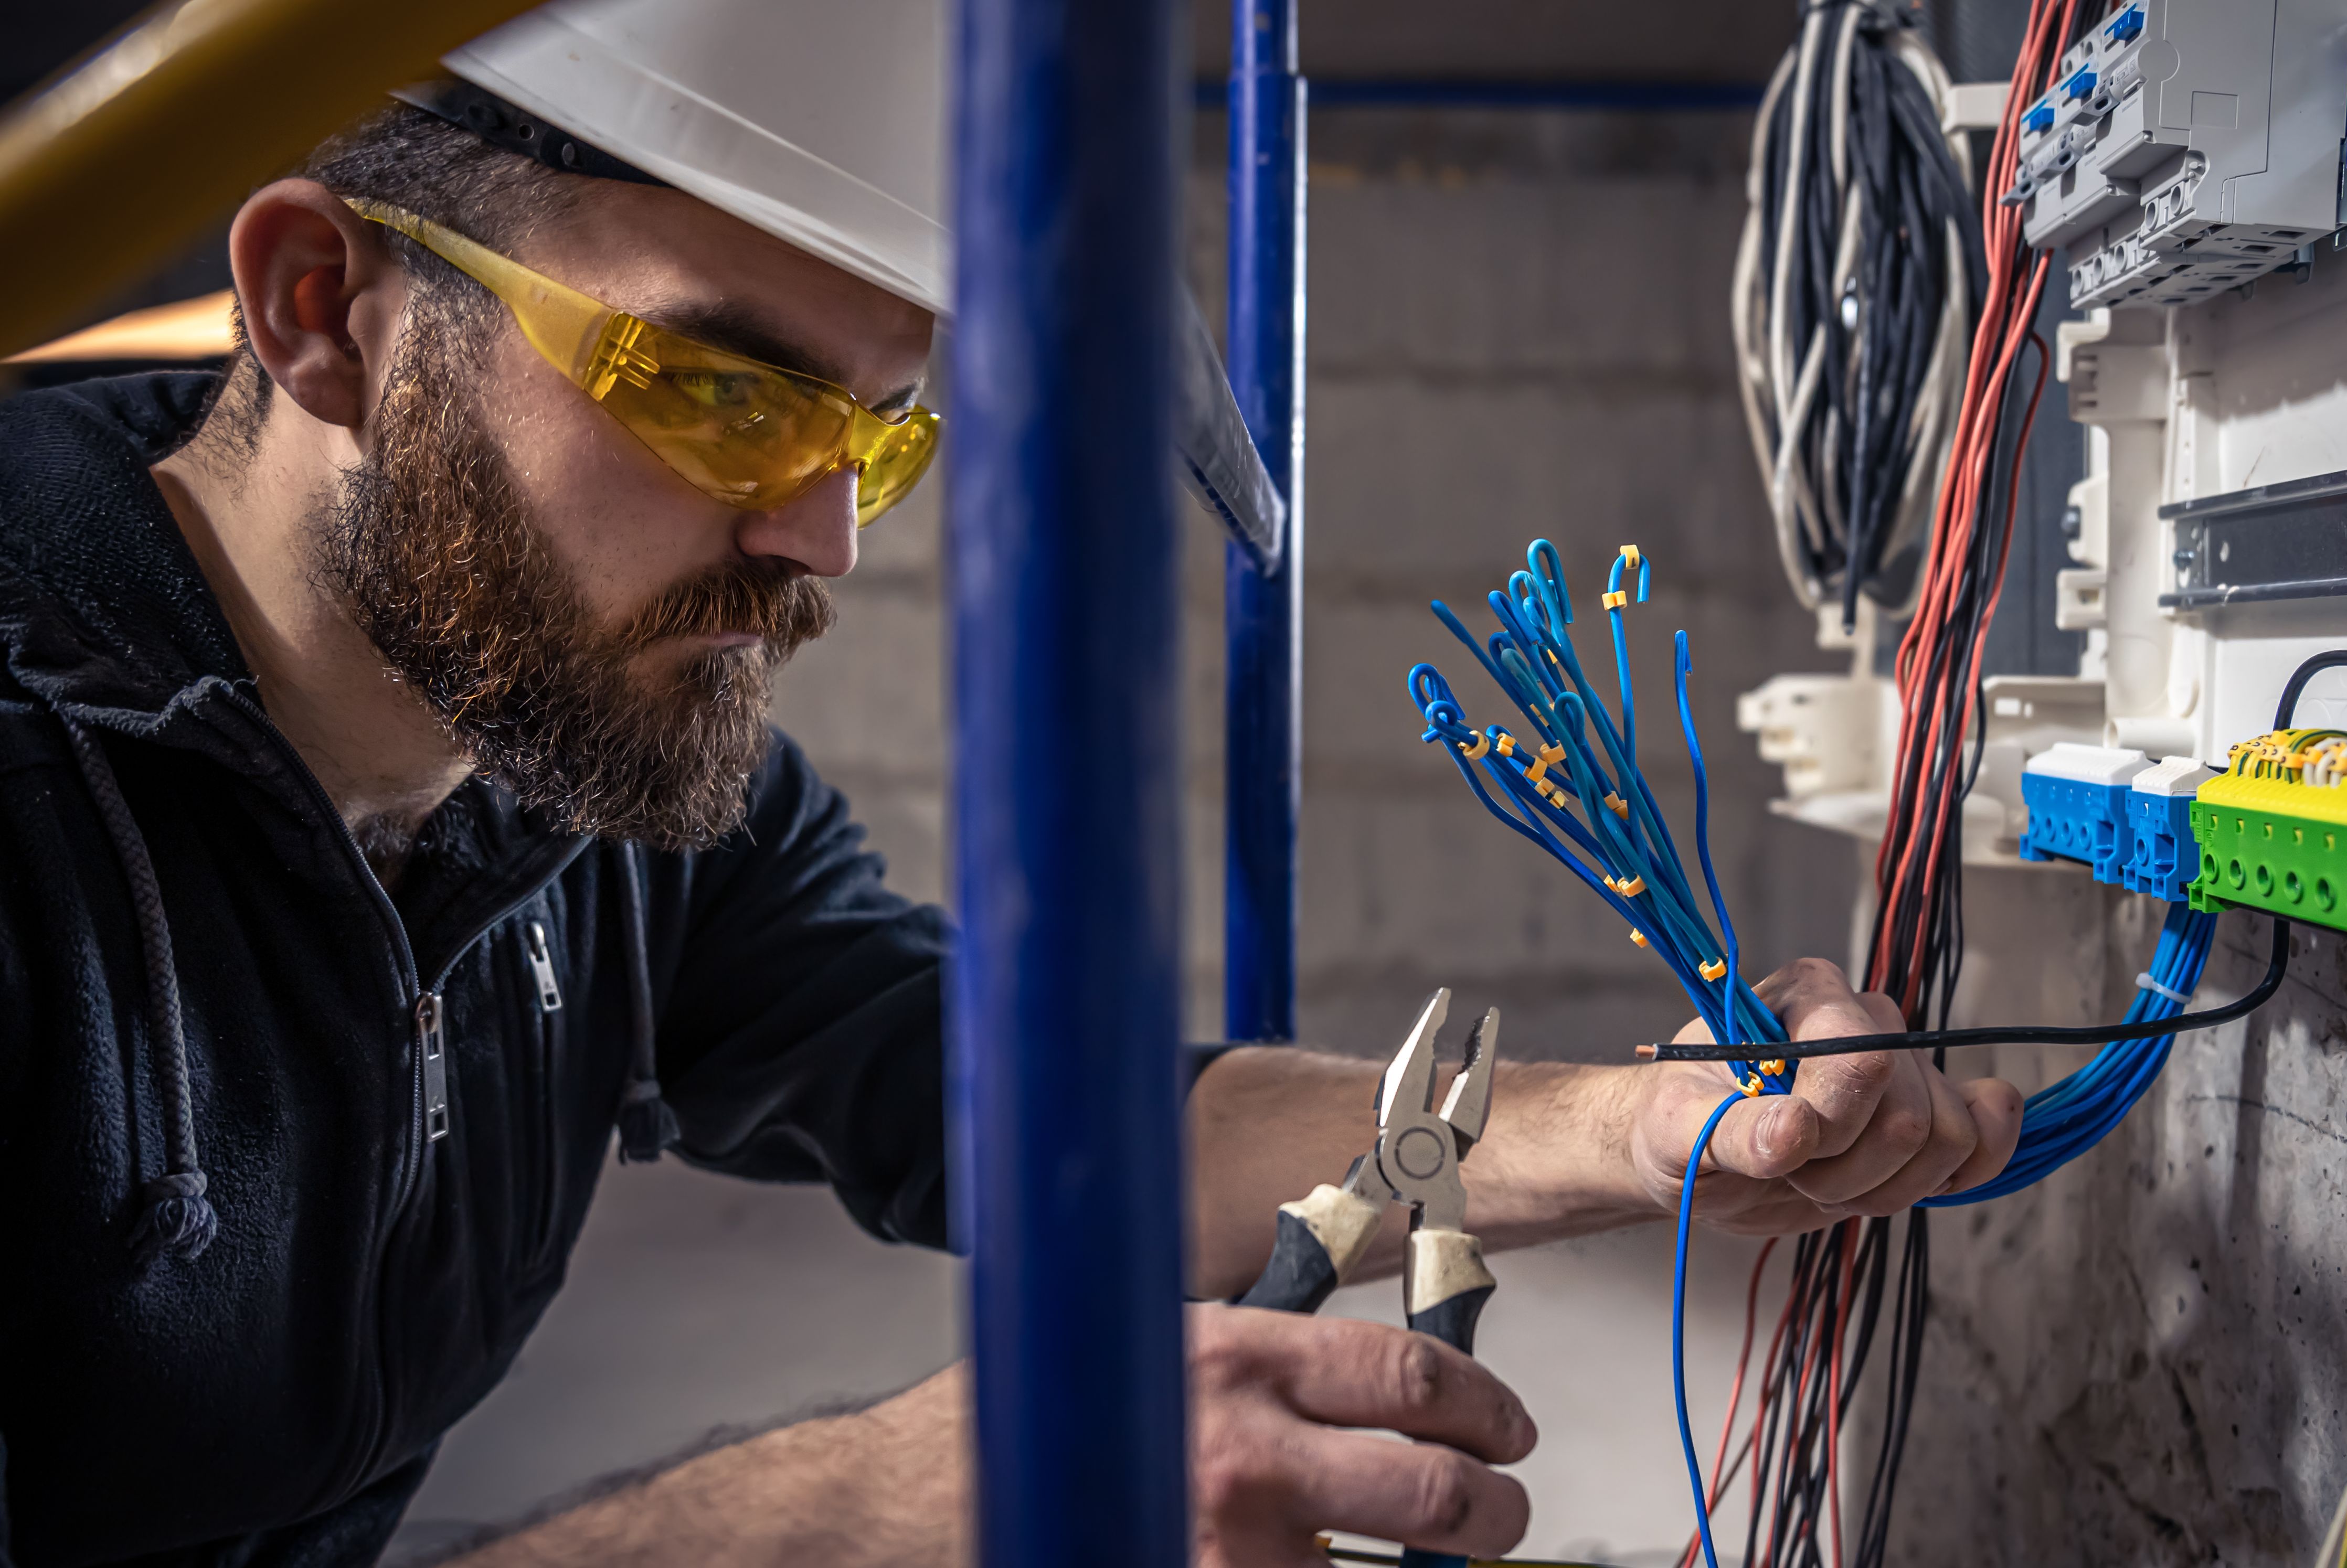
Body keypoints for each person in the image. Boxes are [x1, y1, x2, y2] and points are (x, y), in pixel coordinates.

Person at [0, 63, 2024, 1568]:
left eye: (878, 436)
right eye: (720, 395)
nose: (822, 539)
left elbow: (1019, 1107)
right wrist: (867, 1512)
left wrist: (1643, 1132)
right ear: (323, 308)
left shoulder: (582, 776)